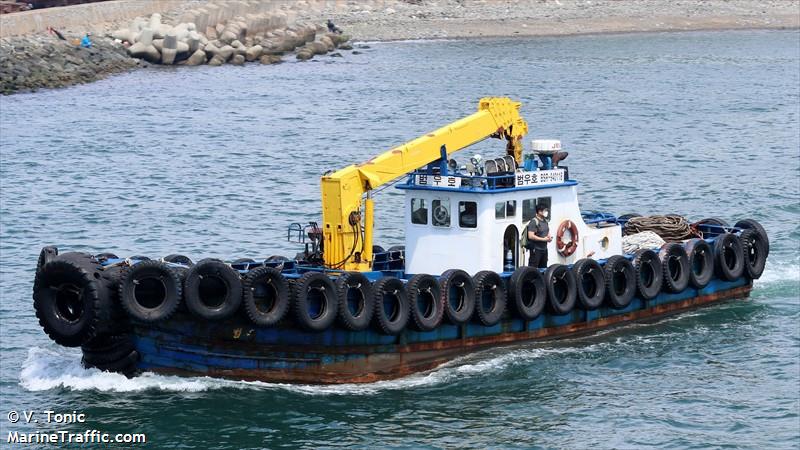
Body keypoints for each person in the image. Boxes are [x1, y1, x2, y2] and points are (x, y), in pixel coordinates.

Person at [526, 204, 551, 268]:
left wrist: (549, 237)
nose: (546, 212)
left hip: (544, 249)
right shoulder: (534, 222)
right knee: (533, 268)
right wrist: (543, 239)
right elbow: (530, 236)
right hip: (536, 250)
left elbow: (547, 231)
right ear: (539, 212)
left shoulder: (545, 221)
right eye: (545, 211)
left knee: (543, 268)